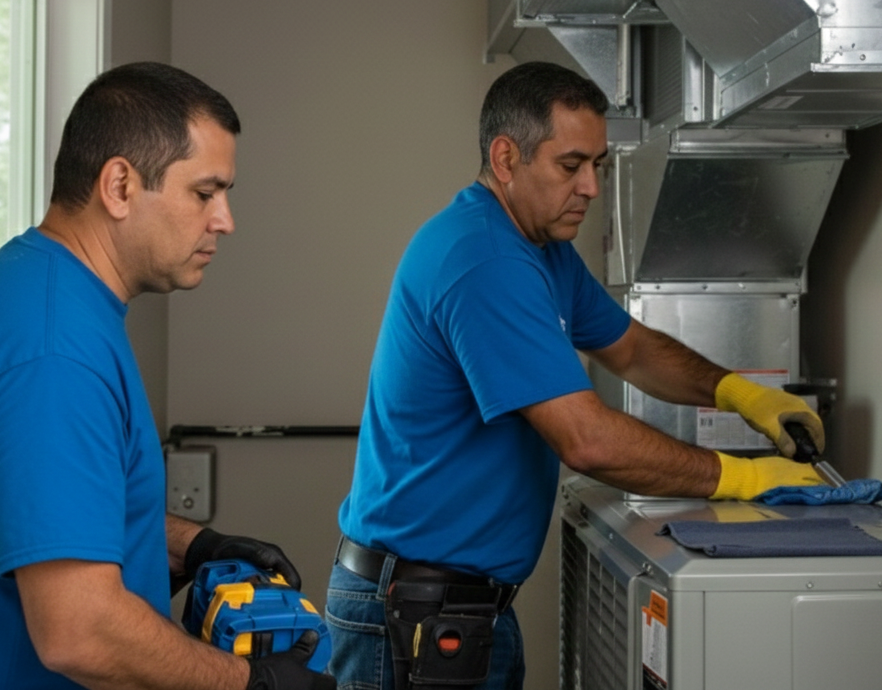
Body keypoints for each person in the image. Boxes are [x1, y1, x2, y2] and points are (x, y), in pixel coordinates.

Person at [325, 61, 826, 690]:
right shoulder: (484, 258)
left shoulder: (543, 254)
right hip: (416, 615)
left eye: (600, 165)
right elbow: (586, 440)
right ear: (505, 158)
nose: (591, 187)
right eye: (571, 166)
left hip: (461, 607)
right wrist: (743, 478)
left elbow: (634, 349)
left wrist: (741, 394)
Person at [0, 62, 334, 690]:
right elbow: (78, 630)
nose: (225, 220)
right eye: (205, 193)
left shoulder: (47, 293)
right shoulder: (51, 353)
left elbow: (38, 518)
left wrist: (187, 545)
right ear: (118, 185)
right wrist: (248, 683)